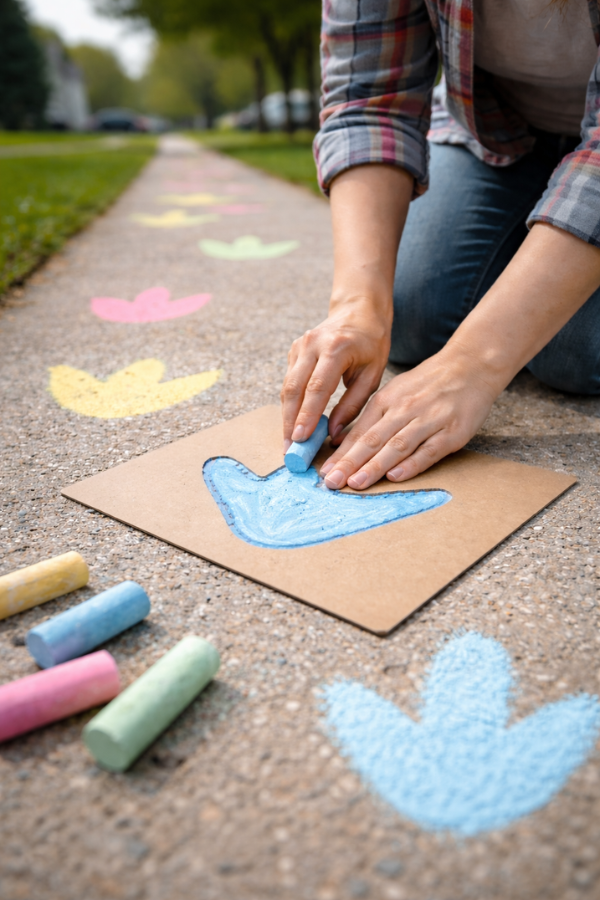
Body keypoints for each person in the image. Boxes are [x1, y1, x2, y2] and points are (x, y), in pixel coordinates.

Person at [281, 0, 600, 492]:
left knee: (571, 353)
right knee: (411, 313)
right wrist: (357, 306)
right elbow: (367, 102)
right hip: (497, 135)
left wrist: (473, 363)